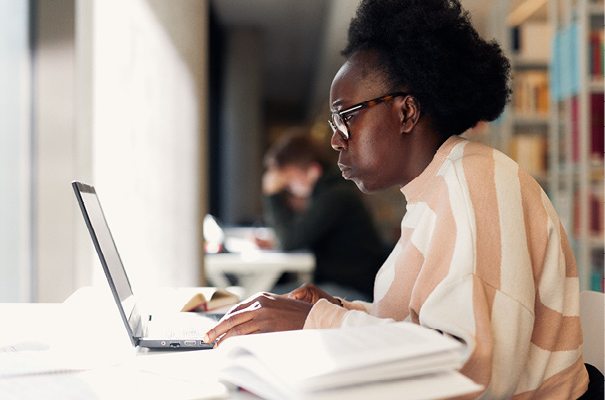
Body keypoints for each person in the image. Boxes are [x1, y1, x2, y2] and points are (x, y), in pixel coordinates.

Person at [205, 0, 597, 398]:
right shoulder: (432, 191)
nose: (335, 139)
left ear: (406, 112)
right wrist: (339, 311)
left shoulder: (474, 181)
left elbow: (470, 371)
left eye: (346, 116)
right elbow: (423, 334)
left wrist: (317, 320)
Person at [259, 129, 386, 301]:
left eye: (289, 180)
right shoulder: (332, 191)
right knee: (268, 297)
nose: (289, 187)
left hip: (354, 293)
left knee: (266, 299)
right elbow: (297, 235)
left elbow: (289, 240)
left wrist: (273, 196)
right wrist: (277, 241)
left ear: (313, 171)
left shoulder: (334, 196)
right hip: (343, 286)